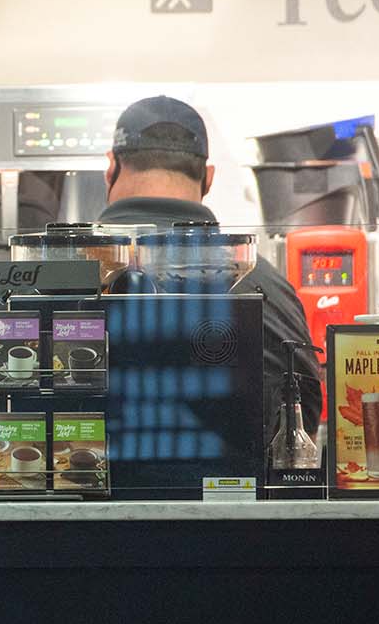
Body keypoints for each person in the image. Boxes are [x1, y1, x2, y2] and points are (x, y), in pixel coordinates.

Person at [98, 95, 323, 429]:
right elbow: (301, 418)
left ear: (111, 167)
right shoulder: (263, 281)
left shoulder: (51, 270)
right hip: (234, 482)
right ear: (208, 177)